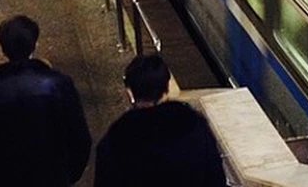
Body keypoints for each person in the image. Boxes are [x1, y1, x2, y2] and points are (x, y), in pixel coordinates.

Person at [0, 16, 91, 187]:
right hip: (51, 177)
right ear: (34, 44)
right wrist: (66, 174)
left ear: (3, 48)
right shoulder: (59, 84)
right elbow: (80, 137)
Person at [94, 55, 226, 187]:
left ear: (130, 92)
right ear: (167, 87)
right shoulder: (195, 127)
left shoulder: (115, 141)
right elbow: (216, 178)